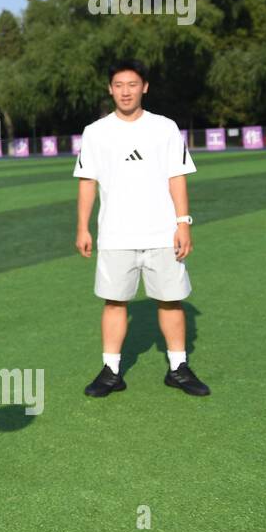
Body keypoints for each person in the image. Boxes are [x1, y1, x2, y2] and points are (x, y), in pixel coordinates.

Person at [73, 58, 211, 398]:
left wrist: (183, 223)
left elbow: (176, 178)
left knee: (171, 300)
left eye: (132, 85)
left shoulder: (164, 127)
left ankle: (178, 368)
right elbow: (87, 182)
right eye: (119, 85)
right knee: (115, 301)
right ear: (110, 89)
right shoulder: (95, 132)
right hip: (115, 234)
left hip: (162, 233)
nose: (125, 91)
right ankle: (111, 371)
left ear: (144, 87)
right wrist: (83, 227)